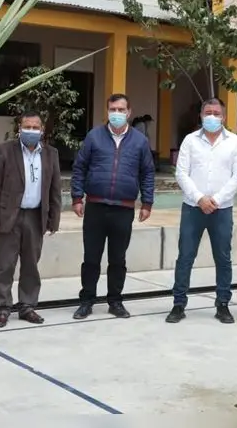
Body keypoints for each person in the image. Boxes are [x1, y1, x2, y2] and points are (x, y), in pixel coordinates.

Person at [70, 93, 155, 320]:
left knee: (118, 258)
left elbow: (147, 173)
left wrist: (147, 202)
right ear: (107, 111)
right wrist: (77, 198)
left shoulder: (139, 141)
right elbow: (80, 168)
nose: (116, 114)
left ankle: (115, 301)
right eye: (112, 109)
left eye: (120, 110)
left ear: (129, 112)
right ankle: (86, 300)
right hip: (96, 207)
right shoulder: (94, 137)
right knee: (91, 258)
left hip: (124, 209)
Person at [166, 98, 237, 324]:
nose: (212, 116)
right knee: (185, 256)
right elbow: (181, 173)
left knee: (223, 258)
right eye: (208, 112)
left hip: (222, 210)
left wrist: (216, 200)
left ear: (224, 116)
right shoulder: (190, 141)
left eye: (216, 113)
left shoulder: (234, 142)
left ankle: (223, 304)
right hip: (193, 208)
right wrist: (200, 198)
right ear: (201, 115)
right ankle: (178, 303)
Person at [0, 111, 63, 327]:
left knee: (31, 264)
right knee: (5, 264)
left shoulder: (50, 154)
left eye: (35, 127)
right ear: (19, 128)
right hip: (9, 216)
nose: (31, 130)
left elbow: (55, 190)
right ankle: (2, 307)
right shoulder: (4, 151)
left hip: (35, 217)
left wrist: (53, 219)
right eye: (27, 126)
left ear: (42, 130)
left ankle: (27, 306)